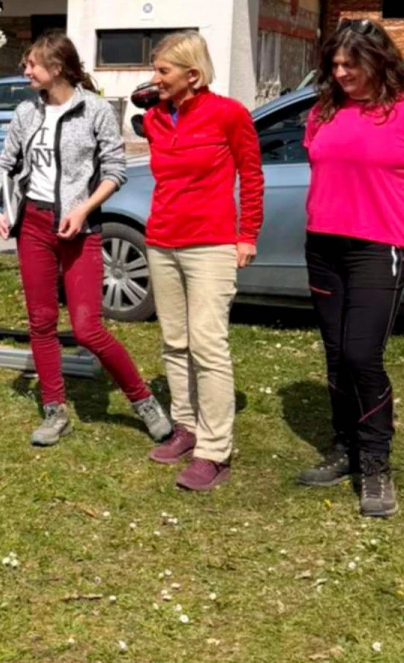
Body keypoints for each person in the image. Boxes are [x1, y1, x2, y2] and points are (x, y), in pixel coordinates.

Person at [0, 32, 171, 447]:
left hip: (80, 228)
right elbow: (6, 163)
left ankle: (143, 400)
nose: (25, 71)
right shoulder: (26, 112)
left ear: (56, 68)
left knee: (87, 329)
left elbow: (115, 170)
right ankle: (55, 409)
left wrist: (84, 209)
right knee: (41, 322)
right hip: (33, 225)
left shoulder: (95, 110)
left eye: (32, 64)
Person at [297, 19, 404, 517]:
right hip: (323, 248)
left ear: (378, 61)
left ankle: (376, 463)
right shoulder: (323, 111)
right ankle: (345, 447)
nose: (341, 73)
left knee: (362, 355)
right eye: (335, 64)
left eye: (351, 63)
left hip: (377, 250)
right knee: (337, 356)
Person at [141, 32, 263, 491]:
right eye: (155, 70)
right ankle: (186, 427)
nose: (155, 79)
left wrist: (247, 235)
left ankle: (215, 450)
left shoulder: (229, 114)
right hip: (162, 240)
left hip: (210, 244)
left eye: (163, 71)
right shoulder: (154, 118)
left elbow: (251, 175)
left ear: (192, 74)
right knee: (174, 342)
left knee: (208, 345)